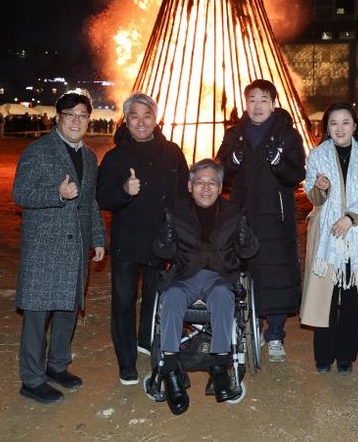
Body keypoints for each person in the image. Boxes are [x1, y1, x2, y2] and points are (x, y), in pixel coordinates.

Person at [12, 89, 106, 404]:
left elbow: (91, 201)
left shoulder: (90, 156)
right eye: (70, 115)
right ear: (58, 118)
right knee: (37, 316)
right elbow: (20, 193)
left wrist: (98, 238)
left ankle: (57, 365)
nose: (77, 121)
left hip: (76, 245)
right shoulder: (37, 151)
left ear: (89, 120)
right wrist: (56, 194)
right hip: (45, 247)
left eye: (82, 116)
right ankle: (32, 379)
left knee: (67, 310)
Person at [151, 158, 259, 415]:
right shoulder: (176, 212)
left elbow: (249, 251)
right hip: (185, 275)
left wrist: (246, 239)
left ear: (220, 187)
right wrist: (166, 239)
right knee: (172, 296)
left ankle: (220, 367)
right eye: (200, 182)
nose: (206, 188)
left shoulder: (235, 213)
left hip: (220, 276)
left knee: (223, 296)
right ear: (190, 186)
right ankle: (171, 370)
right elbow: (162, 252)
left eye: (212, 183)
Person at [96, 92, 189, 385]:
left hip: (162, 241)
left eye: (146, 116)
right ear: (126, 120)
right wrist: (124, 191)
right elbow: (102, 197)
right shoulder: (115, 157)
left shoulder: (172, 153)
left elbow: (184, 197)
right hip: (127, 241)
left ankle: (146, 341)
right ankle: (126, 362)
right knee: (124, 301)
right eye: (134, 116)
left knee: (155, 297)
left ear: (155, 119)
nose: (141, 122)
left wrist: (182, 232)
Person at [215, 79, 306, 362]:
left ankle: (275, 333)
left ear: (274, 104)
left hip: (275, 216)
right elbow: (220, 173)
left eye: (264, 100)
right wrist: (232, 162)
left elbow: (296, 174)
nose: (257, 106)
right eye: (252, 100)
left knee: (276, 272)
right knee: (244, 270)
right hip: (242, 214)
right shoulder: (234, 135)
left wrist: (279, 162)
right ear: (245, 103)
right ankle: (247, 325)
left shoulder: (288, 136)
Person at [300, 101, 358, 374]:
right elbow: (314, 197)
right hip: (328, 236)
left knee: (353, 297)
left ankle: (346, 357)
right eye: (334, 123)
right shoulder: (317, 155)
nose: (340, 128)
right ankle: (323, 357)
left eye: (345, 122)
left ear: (355, 126)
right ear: (326, 127)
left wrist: (350, 218)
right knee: (325, 296)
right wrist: (320, 188)